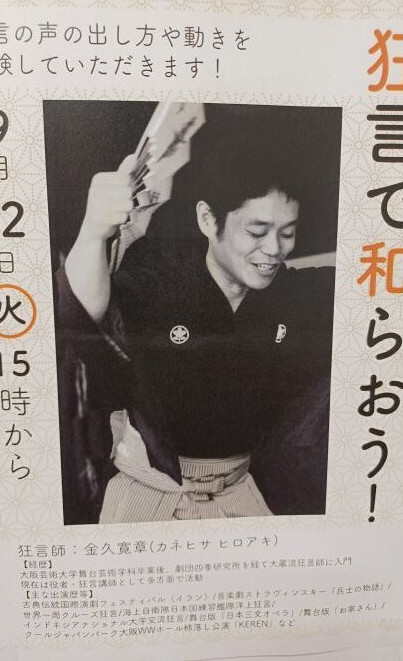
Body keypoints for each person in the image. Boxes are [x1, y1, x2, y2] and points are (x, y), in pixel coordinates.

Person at [56, 117, 335, 523]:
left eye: (287, 232)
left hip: (239, 490)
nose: (274, 249)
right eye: (256, 231)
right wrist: (95, 230)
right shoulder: (158, 276)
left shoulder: (288, 294)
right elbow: (79, 310)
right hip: (151, 491)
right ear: (208, 219)